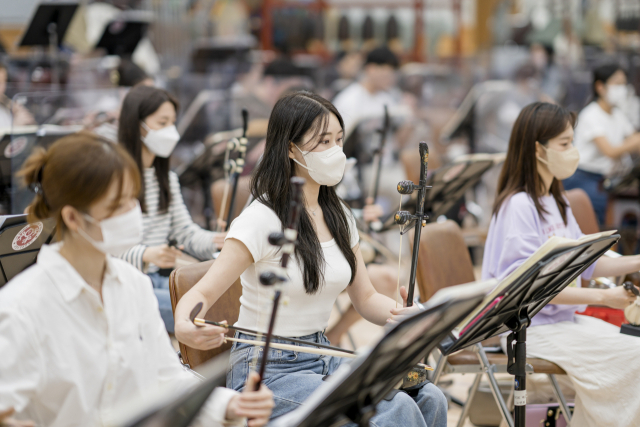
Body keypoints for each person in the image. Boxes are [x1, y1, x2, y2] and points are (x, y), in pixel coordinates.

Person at [173, 91, 448, 426]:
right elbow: (200, 294)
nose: (335, 151)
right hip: (266, 370)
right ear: (291, 149)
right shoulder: (261, 219)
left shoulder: (340, 215)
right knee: (398, 411)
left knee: (429, 396)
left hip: (322, 355)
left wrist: (401, 315)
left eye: (338, 140)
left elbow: (366, 298)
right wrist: (185, 326)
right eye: (322, 142)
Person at [0, 132, 274, 427]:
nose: (133, 213)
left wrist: (230, 405)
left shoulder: (134, 285)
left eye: (133, 199)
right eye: (117, 206)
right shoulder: (22, 308)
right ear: (73, 218)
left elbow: (166, 379)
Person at [483, 102, 640, 427]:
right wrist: (602, 298)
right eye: (565, 144)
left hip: (560, 323)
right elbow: (526, 288)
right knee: (632, 358)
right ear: (538, 150)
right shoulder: (519, 206)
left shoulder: (556, 200)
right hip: (527, 330)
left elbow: (585, 265)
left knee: (633, 348)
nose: (573, 152)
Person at [118, 85, 226, 333]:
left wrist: (219, 241)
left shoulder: (166, 178)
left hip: (158, 282)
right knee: (203, 312)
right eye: (162, 122)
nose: (171, 132)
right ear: (137, 125)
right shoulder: (114, 178)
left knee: (219, 299)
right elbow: (102, 248)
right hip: (125, 284)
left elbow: (186, 234)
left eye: (172, 123)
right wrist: (146, 254)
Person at [563, 64, 640, 225]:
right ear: (600, 86)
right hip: (587, 179)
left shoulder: (618, 114)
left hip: (612, 180)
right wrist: (634, 141)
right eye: (617, 84)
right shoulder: (591, 115)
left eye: (624, 84)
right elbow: (610, 151)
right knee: (611, 216)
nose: (622, 89)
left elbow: (635, 142)